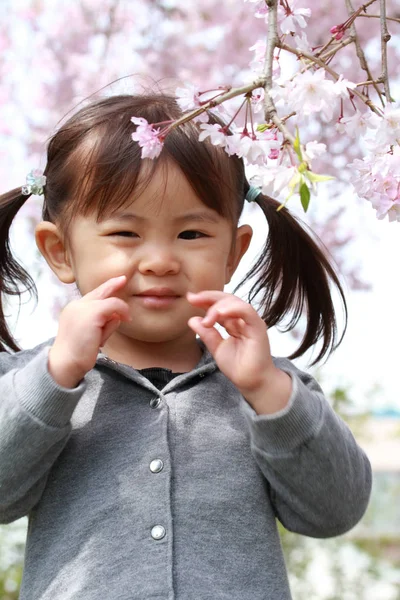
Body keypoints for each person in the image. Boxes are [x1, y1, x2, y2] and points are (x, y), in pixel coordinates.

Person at [0, 93, 371, 600]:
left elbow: (336, 510)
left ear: (233, 253)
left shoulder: (267, 388)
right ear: (60, 252)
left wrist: (268, 390)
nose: (159, 261)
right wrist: (55, 374)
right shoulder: (32, 383)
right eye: (125, 232)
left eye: (192, 233)